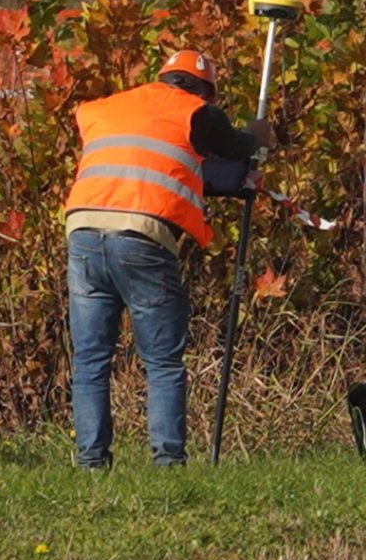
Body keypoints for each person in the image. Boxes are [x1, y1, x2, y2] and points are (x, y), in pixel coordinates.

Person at [64, 49, 271, 468]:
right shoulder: (198, 113)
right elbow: (234, 146)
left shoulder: (108, 108)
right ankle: (168, 462)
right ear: (206, 92)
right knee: (162, 358)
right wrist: (257, 138)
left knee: (90, 357)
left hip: (83, 233)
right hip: (142, 238)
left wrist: (234, 183)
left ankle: (90, 463)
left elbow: (169, 169)